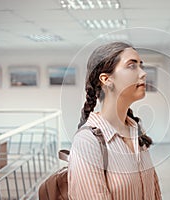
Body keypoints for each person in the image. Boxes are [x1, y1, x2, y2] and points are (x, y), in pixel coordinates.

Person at [68, 42, 162, 199]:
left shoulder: (135, 130)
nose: (143, 73)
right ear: (106, 79)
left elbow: (155, 192)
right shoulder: (87, 142)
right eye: (132, 66)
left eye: (141, 66)